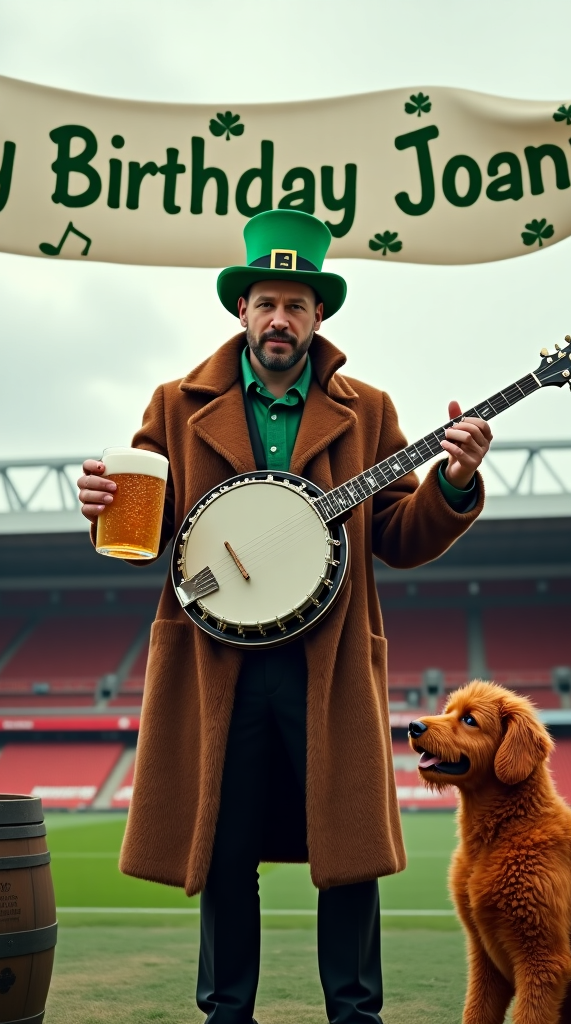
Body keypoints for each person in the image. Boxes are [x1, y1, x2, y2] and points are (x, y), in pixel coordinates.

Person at [76, 209, 492, 1024]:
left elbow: (399, 537)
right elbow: (148, 528)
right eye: (266, 302)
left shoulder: (368, 412)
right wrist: (99, 507)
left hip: (325, 664)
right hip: (217, 660)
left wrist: (452, 484)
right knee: (223, 849)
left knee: (350, 853)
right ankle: (226, 1014)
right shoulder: (174, 405)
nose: (279, 320)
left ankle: (356, 1015)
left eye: (296, 305)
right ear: (241, 311)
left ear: (318, 316)